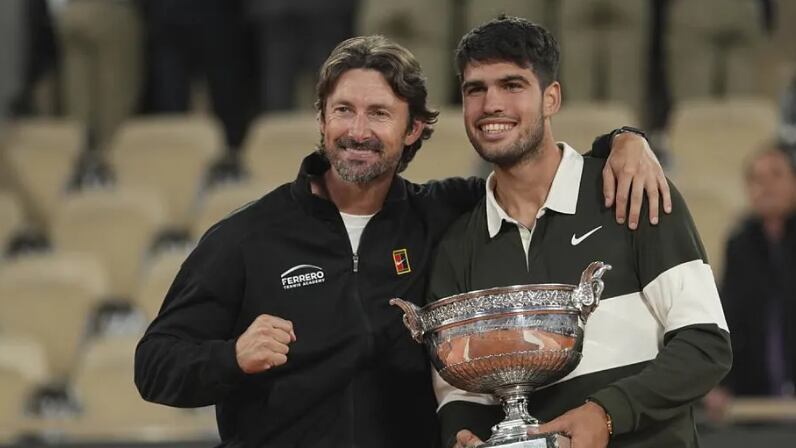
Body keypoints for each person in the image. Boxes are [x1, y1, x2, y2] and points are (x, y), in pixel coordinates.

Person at [135, 34, 669, 447]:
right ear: (321, 120)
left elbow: (539, 170)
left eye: (380, 114)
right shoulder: (245, 237)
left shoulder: (446, 213)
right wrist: (230, 357)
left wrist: (624, 141)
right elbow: (155, 364)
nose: (357, 130)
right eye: (343, 110)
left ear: (413, 129)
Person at [425, 17, 732, 448]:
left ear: (552, 98)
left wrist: (605, 415)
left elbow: (704, 345)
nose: (491, 103)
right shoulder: (457, 246)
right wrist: (464, 437)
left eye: (512, 85)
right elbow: (458, 396)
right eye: (475, 88)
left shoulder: (634, 190)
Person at [704, 145, 796, 421]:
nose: (765, 187)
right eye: (756, 179)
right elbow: (729, 317)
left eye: (776, 175)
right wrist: (719, 383)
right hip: (752, 396)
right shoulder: (740, 244)